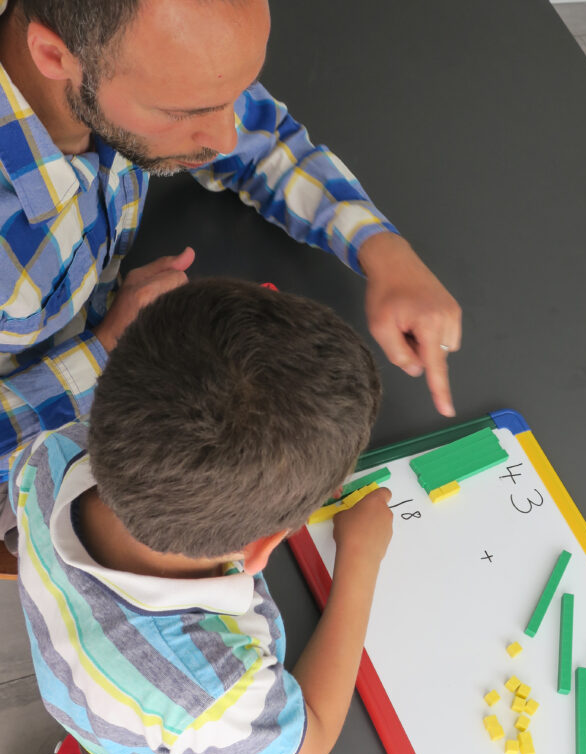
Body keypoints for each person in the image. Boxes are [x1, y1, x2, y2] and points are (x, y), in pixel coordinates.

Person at [0, 0, 462, 511]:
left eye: (235, 93)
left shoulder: (137, 64)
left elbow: (259, 137)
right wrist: (104, 349)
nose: (224, 137)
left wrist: (383, 248)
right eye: (185, 112)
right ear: (52, 53)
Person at [9, 279, 393, 754]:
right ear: (260, 551)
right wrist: (359, 562)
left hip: (113, 701)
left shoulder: (51, 456)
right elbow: (313, 738)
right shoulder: (219, 693)